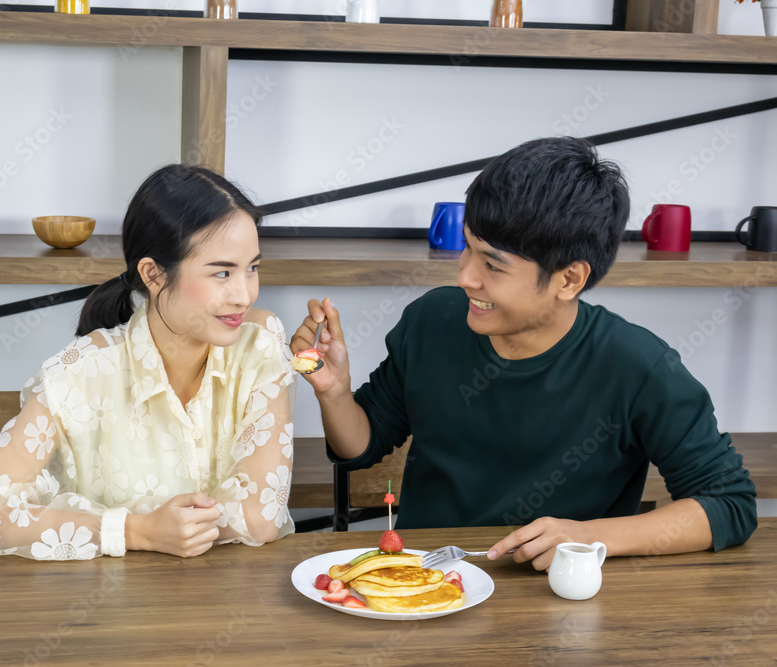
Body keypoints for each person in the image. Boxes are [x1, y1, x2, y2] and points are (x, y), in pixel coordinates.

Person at [291, 137, 757, 570]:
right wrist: (335, 393)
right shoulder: (432, 320)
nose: (466, 277)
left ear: (569, 280)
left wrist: (591, 537)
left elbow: (728, 503)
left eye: (493, 265)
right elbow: (363, 446)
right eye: (468, 249)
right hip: (428, 581)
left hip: (556, 602)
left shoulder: (639, 367)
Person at [0, 164, 295, 560]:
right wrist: (137, 531)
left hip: (231, 605)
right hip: (106, 610)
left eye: (252, 268)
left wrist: (172, 527)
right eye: (222, 273)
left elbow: (261, 516)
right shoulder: (77, 375)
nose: (244, 295)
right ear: (153, 274)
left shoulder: (260, 343)